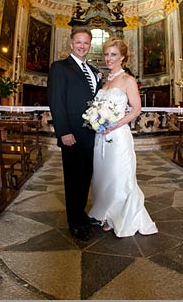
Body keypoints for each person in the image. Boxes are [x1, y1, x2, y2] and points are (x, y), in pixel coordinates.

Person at [88, 37, 158, 237]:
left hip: (118, 136)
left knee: (119, 176)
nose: (109, 58)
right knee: (103, 177)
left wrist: (114, 124)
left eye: (113, 55)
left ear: (123, 58)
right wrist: (96, 121)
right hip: (101, 137)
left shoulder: (128, 80)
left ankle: (120, 216)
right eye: (106, 54)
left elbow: (136, 109)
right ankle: (106, 213)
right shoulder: (105, 80)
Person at [48, 27, 102, 241]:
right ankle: (75, 222)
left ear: (90, 45)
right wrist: (64, 131)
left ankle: (81, 214)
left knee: (85, 177)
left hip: (91, 135)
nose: (82, 46)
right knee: (73, 180)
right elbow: (56, 101)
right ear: (71, 44)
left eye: (86, 43)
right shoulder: (60, 67)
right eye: (79, 42)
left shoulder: (93, 69)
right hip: (72, 134)